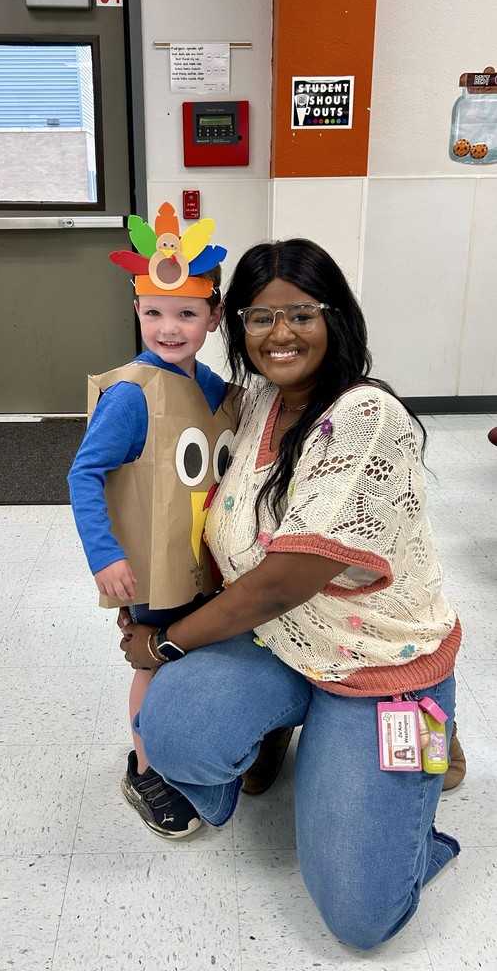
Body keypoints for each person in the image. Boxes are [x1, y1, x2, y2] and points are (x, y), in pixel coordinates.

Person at [120, 237, 462, 950]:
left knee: (360, 919)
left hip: (373, 667)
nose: (279, 334)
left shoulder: (364, 418)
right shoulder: (255, 407)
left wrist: (164, 641)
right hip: (280, 644)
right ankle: (276, 724)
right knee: (169, 729)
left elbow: (279, 582)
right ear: (235, 328)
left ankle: (418, 781)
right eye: (258, 317)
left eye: (300, 314)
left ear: (335, 319)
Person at [68, 201, 240, 839]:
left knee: (198, 656)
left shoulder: (217, 390)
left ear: (214, 316)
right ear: (137, 312)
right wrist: (106, 554)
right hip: (157, 570)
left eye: (187, 313)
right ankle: (147, 767)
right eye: (154, 313)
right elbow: (84, 474)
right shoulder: (130, 396)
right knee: (155, 664)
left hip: (206, 562)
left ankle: (194, 743)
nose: (170, 328)